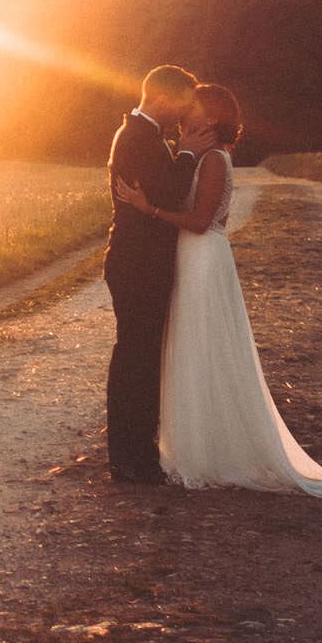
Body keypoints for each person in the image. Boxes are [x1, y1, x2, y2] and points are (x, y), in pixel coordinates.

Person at [115, 83, 322, 500]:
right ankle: (193, 446)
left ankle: (211, 452)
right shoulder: (200, 154)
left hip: (203, 259)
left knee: (205, 349)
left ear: (210, 119)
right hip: (192, 258)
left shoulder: (213, 160)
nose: (185, 111)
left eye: (193, 107)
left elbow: (199, 220)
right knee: (191, 349)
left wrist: (147, 208)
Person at [102, 65, 208, 484]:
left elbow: (159, 193)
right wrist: (187, 154)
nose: (184, 113)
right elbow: (168, 193)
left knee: (141, 358)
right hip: (135, 263)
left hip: (141, 261)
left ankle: (135, 453)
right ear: (163, 99)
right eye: (182, 103)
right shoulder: (136, 137)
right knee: (135, 359)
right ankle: (130, 460)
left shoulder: (146, 135)